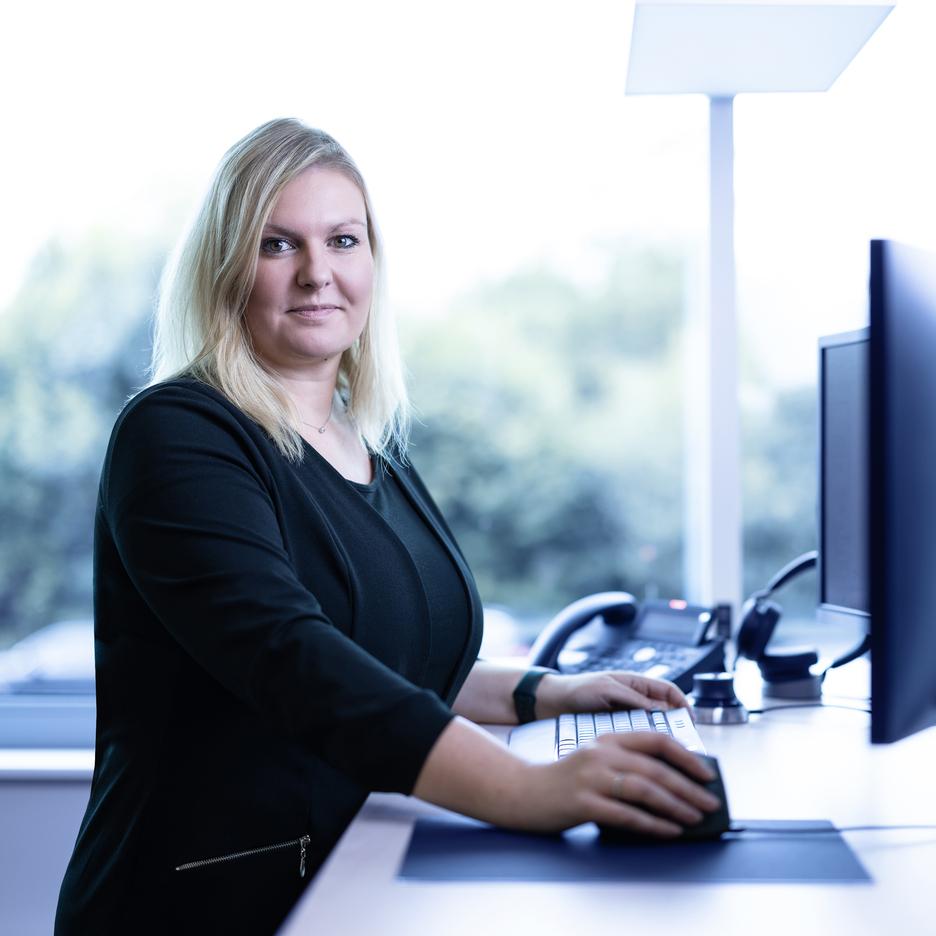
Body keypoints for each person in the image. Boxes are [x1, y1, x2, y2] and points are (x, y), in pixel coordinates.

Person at [55, 118, 720, 935]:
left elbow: (388, 652)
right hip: (203, 901)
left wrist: (544, 691)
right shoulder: (178, 434)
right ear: (226, 270)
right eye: (276, 245)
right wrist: (529, 790)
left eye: (342, 239)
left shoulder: (366, 444)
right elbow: (294, 658)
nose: (316, 274)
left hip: (342, 880)